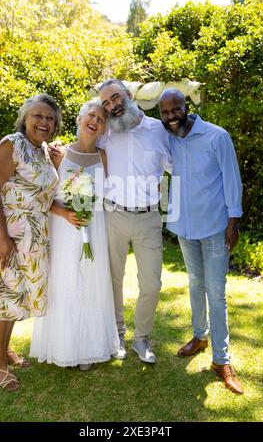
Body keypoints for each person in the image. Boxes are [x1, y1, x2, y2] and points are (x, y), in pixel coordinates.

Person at [159, 89, 244, 394]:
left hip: (215, 226)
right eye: (165, 112)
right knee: (195, 283)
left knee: (216, 293)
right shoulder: (168, 137)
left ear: (186, 106)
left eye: (175, 110)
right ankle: (199, 336)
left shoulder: (216, 136)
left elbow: (232, 178)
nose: (171, 117)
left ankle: (221, 360)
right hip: (184, 225)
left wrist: (234, 221)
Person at [0, 93, 60, 391]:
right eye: (38, 116)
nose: (44, 122)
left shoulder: (43, 152)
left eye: (49, 118)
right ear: (26, 118)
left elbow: (42, 195)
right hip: (7, 234)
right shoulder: (12, 144)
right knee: (3, 297)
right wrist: (1, 239)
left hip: (33, 238)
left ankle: (6, 350)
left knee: (16, 297)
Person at [30, 100, 120, 370]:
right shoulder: (58, 153)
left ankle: (89, 349)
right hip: (65, 230)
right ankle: (66, 347)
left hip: (94, 228)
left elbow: (107, 195)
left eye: (101, 119)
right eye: (91, 115)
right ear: (80, 120)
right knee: (66, 283)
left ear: (104, 129)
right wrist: (66, 214)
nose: (95, 121)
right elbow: (41, 197)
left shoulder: (104, 156)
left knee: (92, 284)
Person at [97, 79, 171, 364]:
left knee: (151, 283)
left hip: (149, 218)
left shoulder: (157, 130)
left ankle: (141, 339)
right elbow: (84, 148)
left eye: (116, 98)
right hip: (113, 214)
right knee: (113, 280)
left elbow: (177, 164)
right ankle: (117, 335)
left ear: (128, 95)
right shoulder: (105, 132)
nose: (113, 106)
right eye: (106, 103)